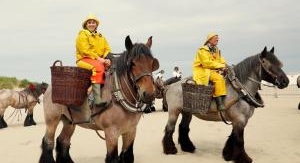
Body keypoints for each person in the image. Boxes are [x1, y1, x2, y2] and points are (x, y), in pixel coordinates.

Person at [75, 13, 111, 111]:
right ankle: (95, 98)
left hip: (98, 60)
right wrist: (99, 59)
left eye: (93, 22)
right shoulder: (82, 34)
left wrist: (107, 59)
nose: (91, 24)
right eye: (89, 23)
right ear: (86, 25)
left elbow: (107, 49)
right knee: (98, 67)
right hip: (84, 59)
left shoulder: (101, 37)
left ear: (96, 24)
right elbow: (84, 50)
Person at [192, 32, 227, 111]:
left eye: (218, 38)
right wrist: (221, 66)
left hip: (213, 69)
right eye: (215, 38)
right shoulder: (202, 50)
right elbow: (206, 63)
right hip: (204, 70)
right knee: (219, 79)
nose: (217, 40)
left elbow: (220, 60)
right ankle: (220, 104)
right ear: (209, 40)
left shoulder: (216, 49)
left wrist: (226, 65)